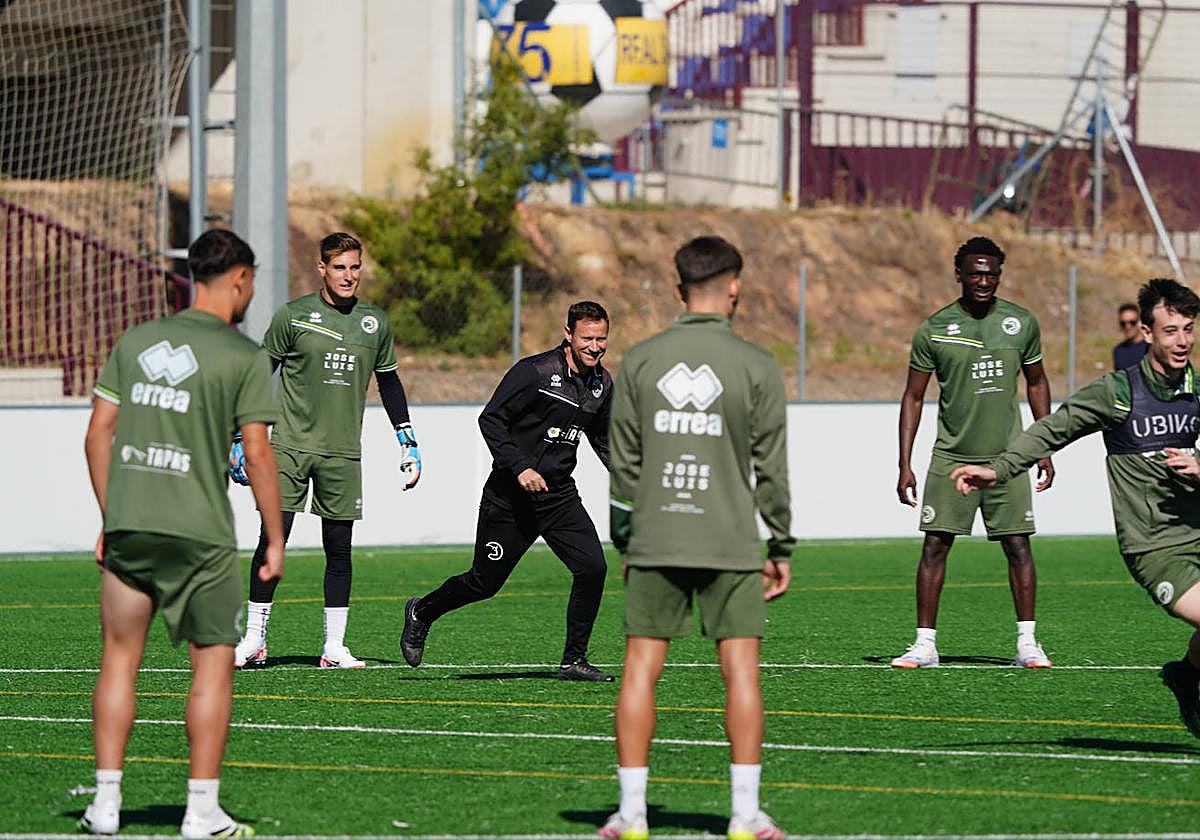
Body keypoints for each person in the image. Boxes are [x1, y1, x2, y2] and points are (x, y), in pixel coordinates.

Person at [81, 229, 284, 837]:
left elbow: (97, 434)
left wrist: (111, 515)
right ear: (240, 279)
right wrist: (273, 537)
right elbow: (258, 453)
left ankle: (106, 805)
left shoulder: (138, 341)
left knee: (119, 659)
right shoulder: (242, 356)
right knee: (212, 667)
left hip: (132, 525)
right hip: (201, 535)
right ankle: (200, 811)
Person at [600, 236, 792, 840]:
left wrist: (626, 538)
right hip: (731, 541)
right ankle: (744, 814)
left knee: (639, 670)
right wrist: (780, 544)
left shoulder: (640, 360)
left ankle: (632, 814)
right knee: (741, 673)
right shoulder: (757, 364)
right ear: (734, 286)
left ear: (679, 289)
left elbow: (622, 463)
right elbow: (772, 467)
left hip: (656, 538)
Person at [952, 277, 1200, 738]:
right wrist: (999, 469)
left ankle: (1186, 675)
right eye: (1171, 330)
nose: (1183, 340)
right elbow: (1053, 429)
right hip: (1156, 547)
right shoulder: (1118, 392)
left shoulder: (1196, 389)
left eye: (1188, 329)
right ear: (1146, 333)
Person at [231, 232, 420, 669]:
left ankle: (334, 647)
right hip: (290, 447)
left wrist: (407, 440)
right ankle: (254, 641)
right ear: (321, 269)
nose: (348, 275)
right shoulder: (293, 316)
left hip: (342, 453)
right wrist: (240, 435)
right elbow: (261, 374)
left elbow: (388, 382)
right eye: (339, 267)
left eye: (355, 267)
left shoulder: (375, 323)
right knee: (271, 540)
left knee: (339, 549)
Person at [400, 301, 614, 681]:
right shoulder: (534, 372)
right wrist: (521, 467)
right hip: (510, 497)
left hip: (559, 496)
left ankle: (573, 660)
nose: (595, 347)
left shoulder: (601, 384)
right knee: (484, 582)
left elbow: (601, 437)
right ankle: (422, 611)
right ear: (568, 335)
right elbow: (491, 419)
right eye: (587, 338)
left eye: (601, 339)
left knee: (593, 567)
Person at [894, 235, 1055, 669]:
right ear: (959, 275)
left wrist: (1042, 445)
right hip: (951, 457)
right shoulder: (934, 328)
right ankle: (925, 645)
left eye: (991, 272)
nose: (984, 280)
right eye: (975, 272)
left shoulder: (1021, 323)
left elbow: (1037, 382)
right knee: (934, 546)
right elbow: (912, 397)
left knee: (1018, 546)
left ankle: (1027, 644)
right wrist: (904, 462)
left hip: (1008, 458)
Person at [1113, 301, 1149, 370]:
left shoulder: (1150, 347)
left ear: (1140, 322)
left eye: (1132, 322)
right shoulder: (1118, 351)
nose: (1128, 327)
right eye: (1123, 323)